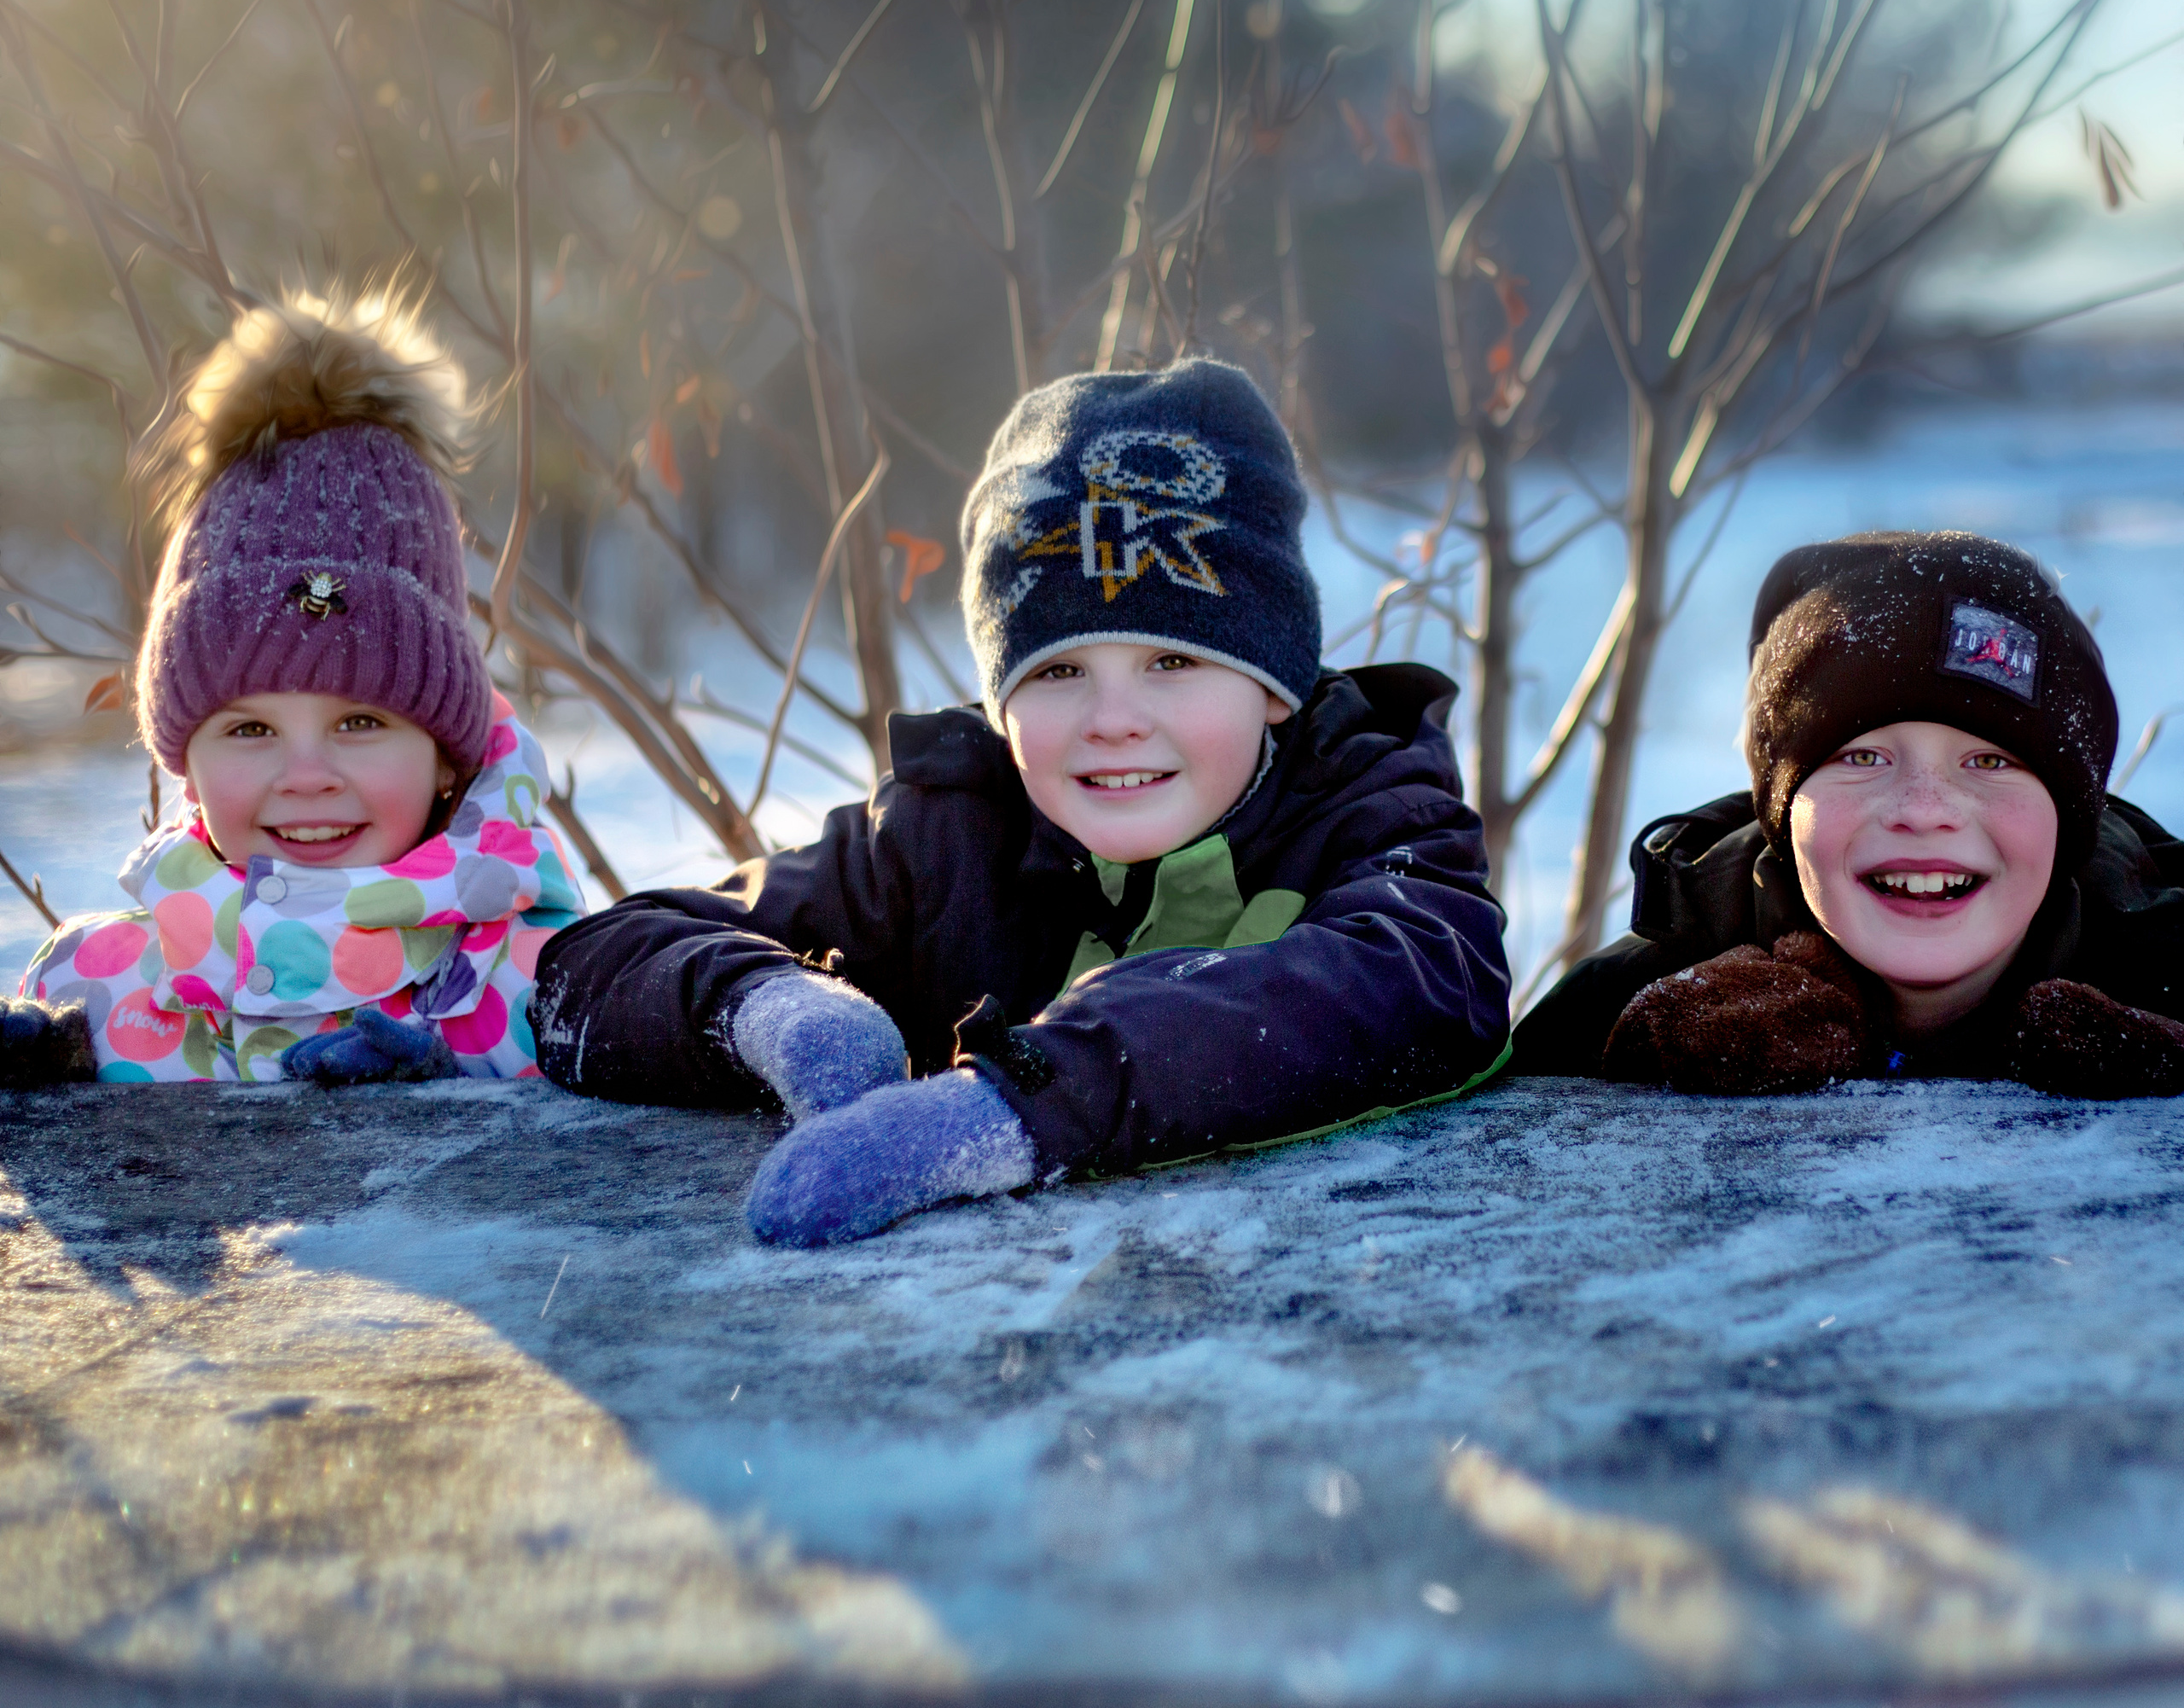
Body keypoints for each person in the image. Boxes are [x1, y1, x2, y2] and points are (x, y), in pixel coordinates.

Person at [531, 357, 1511, 1242]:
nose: (1113, 719)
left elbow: (1429, 982)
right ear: (1001, 703)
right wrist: (776, 1013)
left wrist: (1020, 1104)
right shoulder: (942, 832)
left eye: (1173, 659)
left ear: (1273, 684)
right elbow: (594, 963)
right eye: (1057, 672)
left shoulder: (1368, 802)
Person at [6, 294, 582, 1089]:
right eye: (249, 731)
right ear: (190, 764)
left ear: (447, 756)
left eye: (358, 720)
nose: (306, 775)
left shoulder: (546, 992)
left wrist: (452, 1102)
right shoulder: (100, 990)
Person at [1512, 531, 2184, 1097]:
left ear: (2070, 819)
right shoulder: (1619, 1010)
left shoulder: (2165, 974)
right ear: (1781, 810)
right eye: (1862, 759)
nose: (1924, 812)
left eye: (1989, 762)